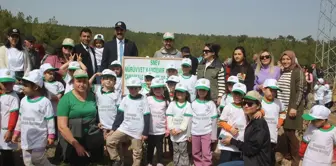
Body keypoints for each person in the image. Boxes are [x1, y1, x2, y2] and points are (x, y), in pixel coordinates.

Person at [57, 69, 104, 166]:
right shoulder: (66, 99)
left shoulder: (92, 96)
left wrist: (99, 122)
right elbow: (62, 126)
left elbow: (98, 112)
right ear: (73, 81)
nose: (82, 84)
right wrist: (76, 145)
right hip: (74, 133)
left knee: (96, 160)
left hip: (91, 131)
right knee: (79, 161)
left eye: (84, 81)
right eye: (79, 81)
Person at [12, 69, 55, 166]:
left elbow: (50, 120)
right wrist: (16, 132)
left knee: (37, 159)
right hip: (26, 138)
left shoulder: (45, 102)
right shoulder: (23, 100)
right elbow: (20, 118)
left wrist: (51, 135)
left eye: (26, 86)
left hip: (39, 137)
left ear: (35, 87)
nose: (23, 88)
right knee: (27, 162)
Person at [106, 77, 150, 166]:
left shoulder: (143, 99)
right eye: (130, 88)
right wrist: (113, 129)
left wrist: (145, 133)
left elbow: (147, 116)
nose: (133, 90)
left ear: (139, 88)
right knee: (110, 141)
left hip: (137, 131)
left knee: (137, 153)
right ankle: (117, 160)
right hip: (124, 128)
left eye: (135, 88)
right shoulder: (125, 99)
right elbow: (120, 115)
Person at [221, 91, 272, 166]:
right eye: (244, 103)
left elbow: (251, 149)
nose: (246, 106)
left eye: (250, 104)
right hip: (250, 160)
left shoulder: (259, 124)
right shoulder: (251, 120)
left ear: (258, 106)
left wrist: (232, 141)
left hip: (257, 163)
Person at [277, 50, 305, 166]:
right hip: (283, 107)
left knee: (290, 133)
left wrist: (294, 107)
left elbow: (300, 90)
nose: (285, 61)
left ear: (293, 59)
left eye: (288, 59)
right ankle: (288, 155)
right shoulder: (283, 72)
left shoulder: (297, 71)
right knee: (286, 132)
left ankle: (296, 158)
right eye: (283, 59)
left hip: (292, 107)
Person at [190, 78, 218, 166]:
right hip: (195, 132)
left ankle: (207, 164)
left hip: (207, 133)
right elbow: (190, 119)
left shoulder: (211, 104)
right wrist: (188, 134)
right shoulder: (193, 103)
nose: (202, 92)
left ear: (208, 91)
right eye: (200, 90)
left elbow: (214, 121)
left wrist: (213, 135)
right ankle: (197, 164)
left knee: (206, 153)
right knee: (195, 152)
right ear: (197, 91)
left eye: (204, 90)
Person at [217, 83, 247, 163]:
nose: (237, 96)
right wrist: (230, 129)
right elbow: (221, 122)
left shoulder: (246, 108)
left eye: (239, 94)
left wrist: (261, 112)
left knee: (236, 162)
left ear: (244, 95)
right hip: (226, 142)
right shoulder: (228, 107)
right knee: (225, 162)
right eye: (235, 93)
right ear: (232, 93)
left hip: (239, 142)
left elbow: (259, 109)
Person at [89, 69, 120, 140]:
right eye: (106, 78)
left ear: (115, 82)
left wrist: (115, 126)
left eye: (111, 79)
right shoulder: (97, 89)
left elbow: (119, 111)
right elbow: (88, 84)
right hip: (101, 126)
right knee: (102, 147)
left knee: (113, 145)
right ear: (102, 80)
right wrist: (95, 75)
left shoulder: (116, 94)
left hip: (113, 127)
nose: (108, 81)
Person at [166, 83, 192, 166]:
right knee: (175, 150)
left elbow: (186, 119)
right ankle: (176, 164)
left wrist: (180, 130)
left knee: (183, 151)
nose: (180, 94)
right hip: (173, 133)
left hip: (182, 134)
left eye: (182, 92)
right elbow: (169, 117)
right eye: (178, 92)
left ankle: (184, 164)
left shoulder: (188, 105)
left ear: (186, 94)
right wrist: (171, 129)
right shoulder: (172, 104)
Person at [146, 78, 170, 166]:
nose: (158, 90)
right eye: (155, 88)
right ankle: (149, 162)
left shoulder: (166, 101)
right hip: (150, 129)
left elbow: (167, 116)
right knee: (150, 147)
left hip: (161, 130)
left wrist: (167, 129)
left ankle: (160, 162)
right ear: (152, 89)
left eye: (160, 88)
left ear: (163, 89)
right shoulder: (148, 99)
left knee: (160, 148)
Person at [261, 79, 286, 165]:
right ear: (264, 89)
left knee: (270, 156)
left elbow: (283, 113)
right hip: (260, 135)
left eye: (275, 91)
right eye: (271, 90)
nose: (273, 93)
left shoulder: (278, 102)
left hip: (272, 135)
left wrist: (280, 122)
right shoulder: (259, 101)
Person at [0, 69, 19, 166]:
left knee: (6, 152)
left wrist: (10, 130)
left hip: (6, 129)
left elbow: (14, 115)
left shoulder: (13, 97)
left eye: (10, 83)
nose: (7, 86)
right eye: (4, 84)